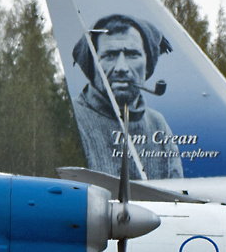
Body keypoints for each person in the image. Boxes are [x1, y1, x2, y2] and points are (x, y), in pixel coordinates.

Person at [70, 14, 183, 179]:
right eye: (109, 55)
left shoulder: (157, 124)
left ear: (147, 66)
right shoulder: (71, 118)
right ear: (93, 66)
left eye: (132, 55)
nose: (121, 67)